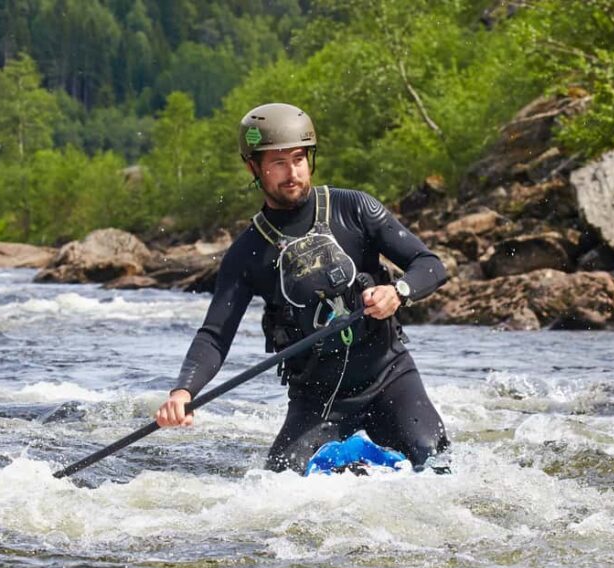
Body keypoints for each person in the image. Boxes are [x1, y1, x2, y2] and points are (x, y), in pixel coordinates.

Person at [155, 103, 450, 474]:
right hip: (317, 400)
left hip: (390, 379)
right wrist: (182, 393)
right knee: (278, 481)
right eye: (278, 162)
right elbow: (215, 336)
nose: (292, 172)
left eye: (298, 158)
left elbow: (431, 265)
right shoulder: (246, 254)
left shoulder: (355, 208)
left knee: (436, 462)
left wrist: (400, 291)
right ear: (253, 167)